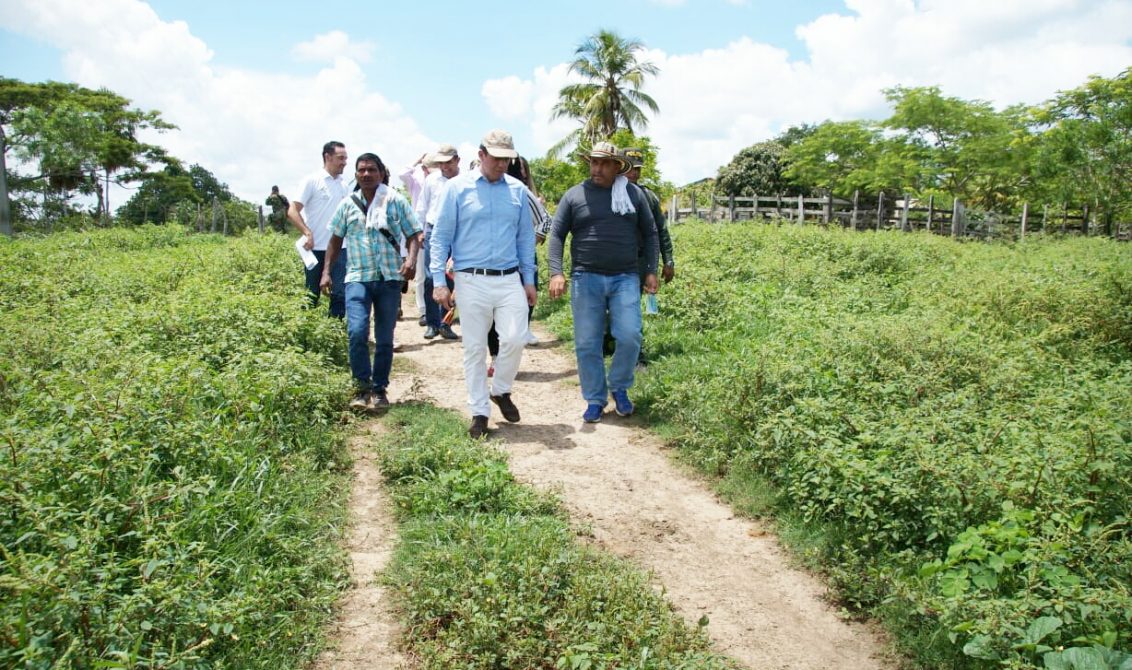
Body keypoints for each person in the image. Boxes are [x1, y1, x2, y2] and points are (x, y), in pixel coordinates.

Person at [430, 129, 537, 439]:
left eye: (507, 159)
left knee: (516, 337)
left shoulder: (517, 191)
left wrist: (528, 280)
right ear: (481, 155)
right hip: (470, 278)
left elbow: (525, 239)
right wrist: (439, 281)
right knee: (474, 348)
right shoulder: (456, 189)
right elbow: (440, 237)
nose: (502, 164)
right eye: (496, 158)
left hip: (508, 278)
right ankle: (479, 411)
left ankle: (501, 390)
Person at [547, 141, 658, 423]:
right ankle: (595, 399)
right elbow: (557, 235)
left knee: (630, 335)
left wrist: (651, 269)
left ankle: (619, 387)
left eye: (603, 163)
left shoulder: (633, 195)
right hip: (586, 278)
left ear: (616, 167)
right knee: (587, 343)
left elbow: (650, 233)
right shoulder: (574, 196)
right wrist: (556, 272)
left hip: (625, 277)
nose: (597, 168)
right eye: (593, 162)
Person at [321, 153, 422, 410]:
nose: (366, 174)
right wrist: (326, 272)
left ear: (380, 173)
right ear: (356, 175)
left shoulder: (395, 201)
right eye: (361, 170)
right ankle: (361, 388)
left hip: (389, 278)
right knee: (356, 332)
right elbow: (334, 240)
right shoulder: (347, 204)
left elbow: (413, 234)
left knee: (385, 336)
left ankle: (379, 390)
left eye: (372, 170)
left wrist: (410, 260)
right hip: (357, 278)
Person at [487, 155, 549, 374]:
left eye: (524, 168)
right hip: (491, 264)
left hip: (519, 262)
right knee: (491, 312)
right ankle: (496, 357)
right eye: (519, 168)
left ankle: (508, 351)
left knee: (521, 306)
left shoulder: (521, 192)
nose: (523, 172)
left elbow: (546, 220)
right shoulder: (483, 190)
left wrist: (531, 241)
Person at [622, 147, 675, 366]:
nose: (634, 173)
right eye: (630, 168)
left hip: (639, 262)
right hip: (612, 262)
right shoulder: (608, 193)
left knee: (631, 308)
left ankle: (636, 355)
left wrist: (668, 260)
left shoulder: (648, 197)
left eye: (638, 169)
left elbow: (660, 231)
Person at [288, 141, 350, 318]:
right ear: (327, 157)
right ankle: (308, 334)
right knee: (311, 294)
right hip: (315, 249)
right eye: (341, 158)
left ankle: (334, 334)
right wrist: (307, 232)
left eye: (345, 158)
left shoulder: (343, 185)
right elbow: (292, 210)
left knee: (340, 293)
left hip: (340, 249)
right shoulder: (312, 181)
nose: (344, 162)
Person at [416, 144, 460, 341]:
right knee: (431, 277)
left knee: (453, 277)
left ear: (457, 160)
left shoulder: (465, 181)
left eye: (448, 162)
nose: (444, 167)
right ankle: (432, 324)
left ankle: (446, 323)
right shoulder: (432, 180)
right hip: (433, 231)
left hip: (458, 233)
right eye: (441, 163)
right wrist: (420, 231)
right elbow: (422, 207)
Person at [399, 154, 431, 325]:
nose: (427, 169)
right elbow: (402, 174)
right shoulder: (416, 182)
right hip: (418, 231)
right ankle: (423, 310)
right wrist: (416, 161)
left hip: (436, 232)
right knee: (420, 274)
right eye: (425, 166)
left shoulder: (442, 182)